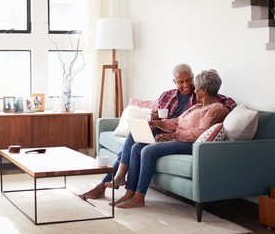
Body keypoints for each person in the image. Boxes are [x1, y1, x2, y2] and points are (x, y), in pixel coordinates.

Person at [79, 63, 236, 200]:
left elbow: (223, 101)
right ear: (175, 82)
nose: (186, 85)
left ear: (193, 78)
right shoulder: (167, 95)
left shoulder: (200, 95)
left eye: (189, 80)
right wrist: (152, 117)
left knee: (136, 147)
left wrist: (226, 110)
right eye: (181, 82)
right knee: (137, 134)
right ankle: (119, 180)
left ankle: (113, 181)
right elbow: (156, 114)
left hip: (177, 133)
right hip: (162, 127)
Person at [115, 69, 229, 208]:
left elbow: (200, 132)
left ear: (203, 90)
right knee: (137, 147)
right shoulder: (198, 106)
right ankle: (129, 193)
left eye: (196, 88)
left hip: (191, 144)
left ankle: (139, 197)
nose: (194, 90)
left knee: (148, 151)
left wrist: (173, 136)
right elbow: (177, 121)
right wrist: (158, 123)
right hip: (181, 140)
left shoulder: (215, 109)